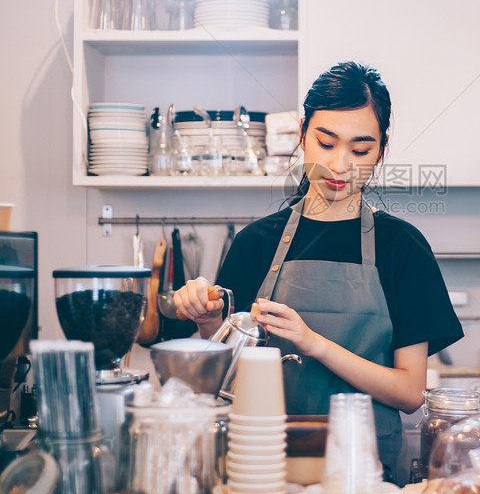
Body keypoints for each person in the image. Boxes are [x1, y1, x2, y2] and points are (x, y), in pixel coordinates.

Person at [174, 61, 463, 483]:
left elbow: (410, 393)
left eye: (360, 150)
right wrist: (207, 321)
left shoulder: (402, 247)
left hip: (365, 477)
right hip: (261, 470)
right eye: (326, 143)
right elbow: (224, 376)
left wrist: (314, 343)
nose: (340, 165)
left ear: (381, 151)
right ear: (303, 137)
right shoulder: (256, 242)